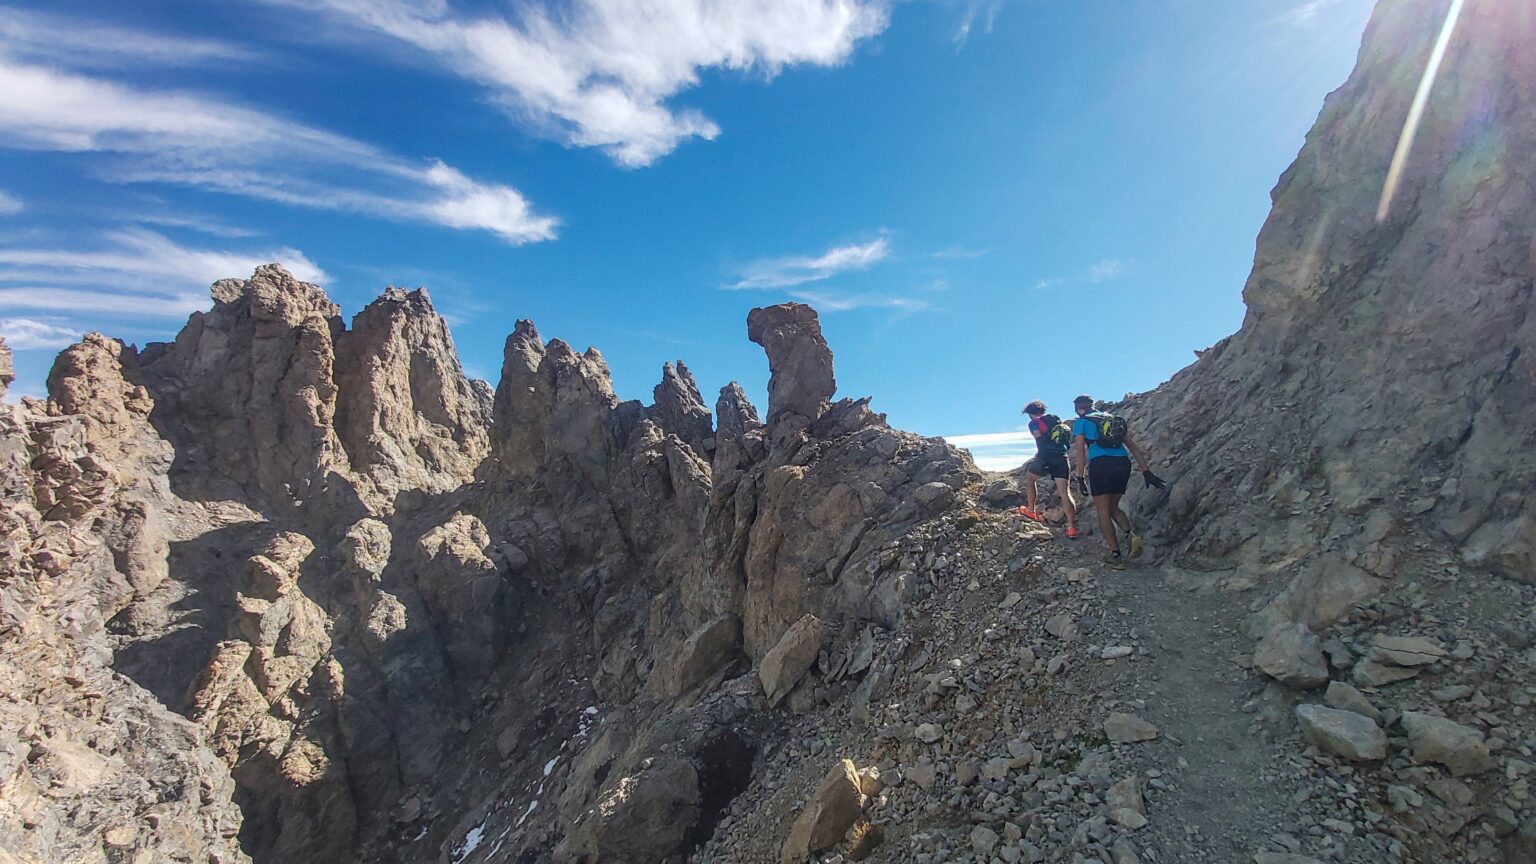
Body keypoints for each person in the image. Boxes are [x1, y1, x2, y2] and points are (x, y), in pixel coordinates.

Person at [1071, 394, 1165, 569]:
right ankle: (1131, 535)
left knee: (1103, 511)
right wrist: (1146, 471)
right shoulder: (1111, 419)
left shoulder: (1081, 422)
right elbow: (1132, 446)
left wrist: (1081, 477)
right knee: (1113, 507)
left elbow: (1080, 452)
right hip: (1123, 464)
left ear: (1078, 407)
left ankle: (1116, 556)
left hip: (1101, 465)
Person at [1017, 401, 1079, 538]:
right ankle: (1071, 528)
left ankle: (1031, 510)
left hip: (1046, 457)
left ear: (1030, 413)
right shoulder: (1055, 419)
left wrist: (1040, 457)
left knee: (1030, 478)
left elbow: (1039, 438)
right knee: (1065, 492)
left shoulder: (1034, 423)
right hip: (1062, 457)